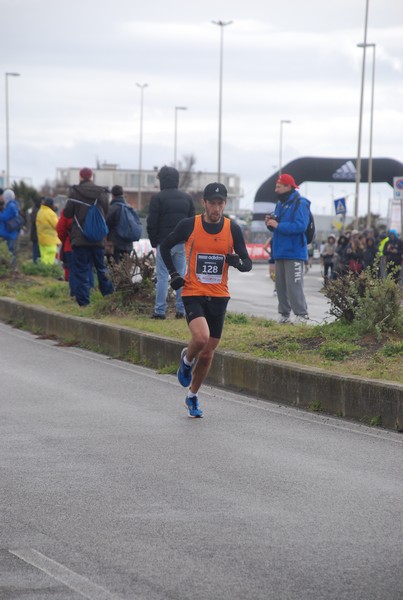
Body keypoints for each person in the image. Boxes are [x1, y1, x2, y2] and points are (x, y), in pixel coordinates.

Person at [160, 182, 252, 418]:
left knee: (209, 353)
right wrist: (174, 274)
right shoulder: (190, 225)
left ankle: (192, 396)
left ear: (225, 204)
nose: (216, 208)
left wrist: (236, 263)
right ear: (204, 203)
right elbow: (166, 246)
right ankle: (187, 358)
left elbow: (247, 262)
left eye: (220, 203)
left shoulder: (233, 229)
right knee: (200, 338)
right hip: (193, 291)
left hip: (219, 296)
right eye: (212, 203)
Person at [147, 166, 195, 319]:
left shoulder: (157, 198)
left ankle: (160, 311)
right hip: (181, 243)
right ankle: (181, 310)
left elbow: (151, 222)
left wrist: (154, 242)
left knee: (162, 276)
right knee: (180, 274)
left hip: (164, 242)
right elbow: (192, 221)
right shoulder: (187, 198)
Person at [63, 167, 113, 307]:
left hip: (80, 238)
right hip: (98, 239)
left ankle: (84, 302)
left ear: (80, 177)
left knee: (81, 270)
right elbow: (107, 212)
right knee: (101, 268)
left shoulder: (74, 192)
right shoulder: (102, 193)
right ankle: (109, 299)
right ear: (92, 176)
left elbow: (67, 213)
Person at [264, 173, 310, 324]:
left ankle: (301, 315)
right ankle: (284, 315)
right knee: (281, 286)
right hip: (279, 251)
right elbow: (277, 228)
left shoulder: (300, 203)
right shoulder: (280, 204)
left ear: (288, 186)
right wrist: (270, 224)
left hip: (295, 252)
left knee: (294, 285)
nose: (276, 190)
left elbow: (300, 226)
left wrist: (278, 225)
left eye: (278, 187)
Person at [106, 185, 135, 264]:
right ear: (122, 194)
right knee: (125, 270)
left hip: (115, 245)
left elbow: (105, 226)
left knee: (114, 270)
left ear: (112, 195)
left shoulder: (111, 209)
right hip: (128, 244)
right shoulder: (129, 208)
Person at [0, 188, 21, 268]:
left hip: (8, 233)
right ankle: (12, 267)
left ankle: (12, 268)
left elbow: (4, 217)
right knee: (10, 251)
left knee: (10, 251)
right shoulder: (14, 205)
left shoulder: (10, 206)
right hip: (11, 233)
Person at [36, 198, 60, 265]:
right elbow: (57, 225)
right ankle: (48, 273)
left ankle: (43, 272)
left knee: (44, 258)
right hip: (50, 240)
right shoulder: (50, 213)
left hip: (41, 239)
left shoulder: (40, 211)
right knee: (50, 259)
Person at [30, 197, 42, 263]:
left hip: (35, 235)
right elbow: (35, 222)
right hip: (36, 235)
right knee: (37, 253)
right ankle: (36, 265)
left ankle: (36, 264)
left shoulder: (35, 210)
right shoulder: (37, 211)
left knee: (36, 252)